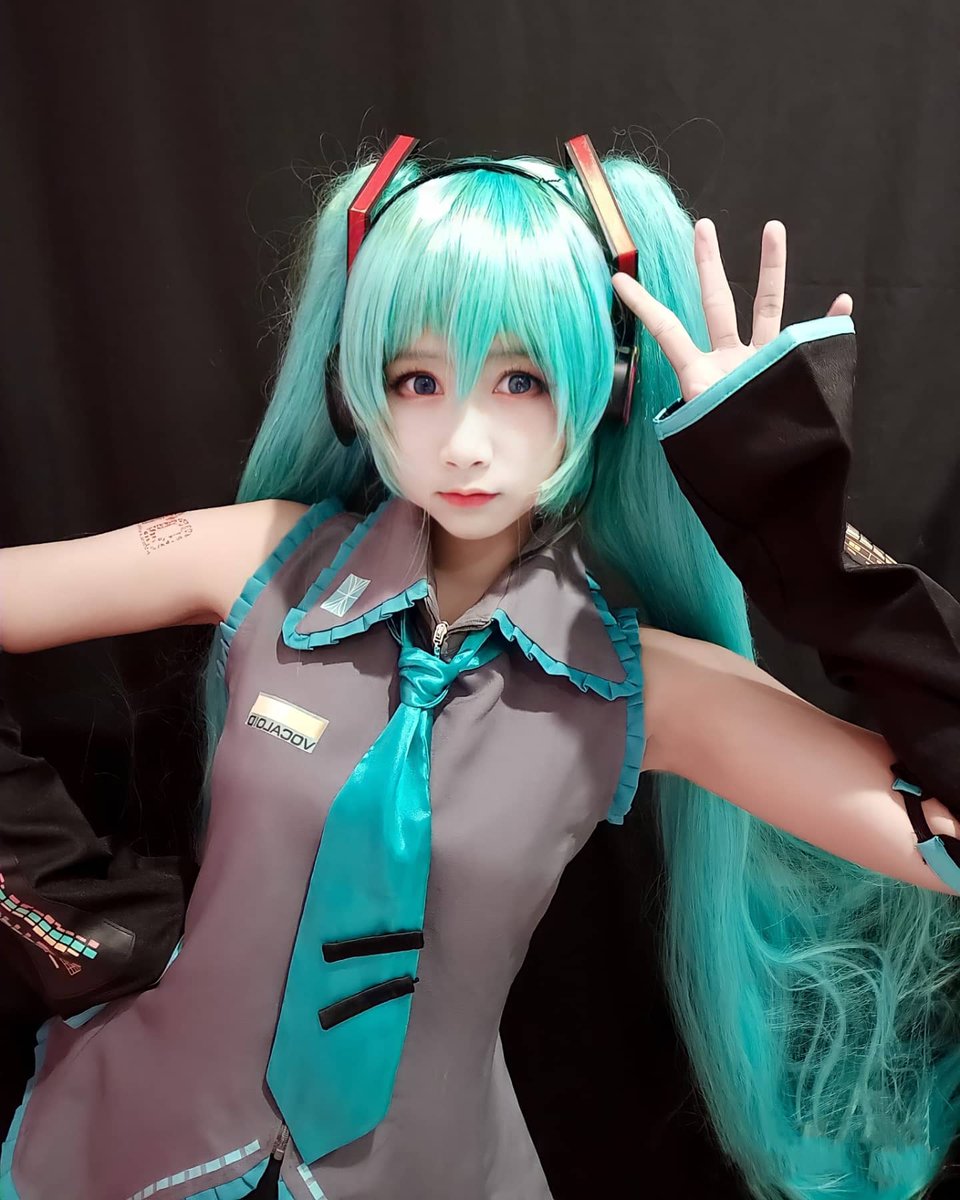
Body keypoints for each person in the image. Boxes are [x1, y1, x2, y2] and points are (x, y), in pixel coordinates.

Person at [1, 132, 959, 1200]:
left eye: (521, 380)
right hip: (132, 1145)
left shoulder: (645, 689)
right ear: (355, 389)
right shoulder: (257, 562)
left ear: (607, 387)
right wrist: (48, 902)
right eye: (419, 379)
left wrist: (793, 517)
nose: (463, 439)